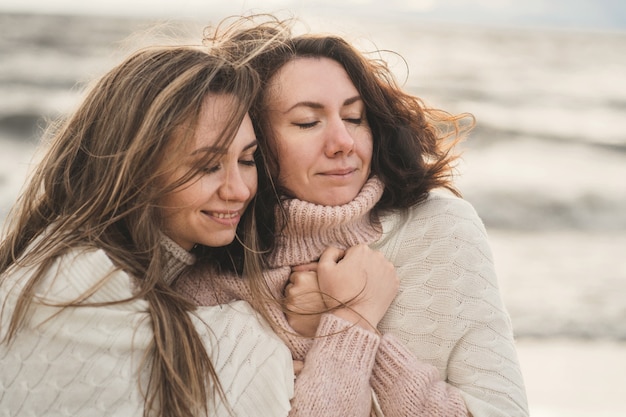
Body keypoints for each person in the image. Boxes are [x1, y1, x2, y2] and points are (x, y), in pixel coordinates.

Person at [176, 15, 530, 417]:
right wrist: (351, 318)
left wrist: (333, 323)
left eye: (353, 117)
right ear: (251, 141)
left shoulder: (440, 229)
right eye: (307, 122)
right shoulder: (210, 270)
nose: (343, 142)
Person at [0, 45, 294, 417]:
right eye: (207, 166)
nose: (239, 189)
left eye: (247, 160)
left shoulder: (149, 273)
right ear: (136, 167)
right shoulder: (77, 281)